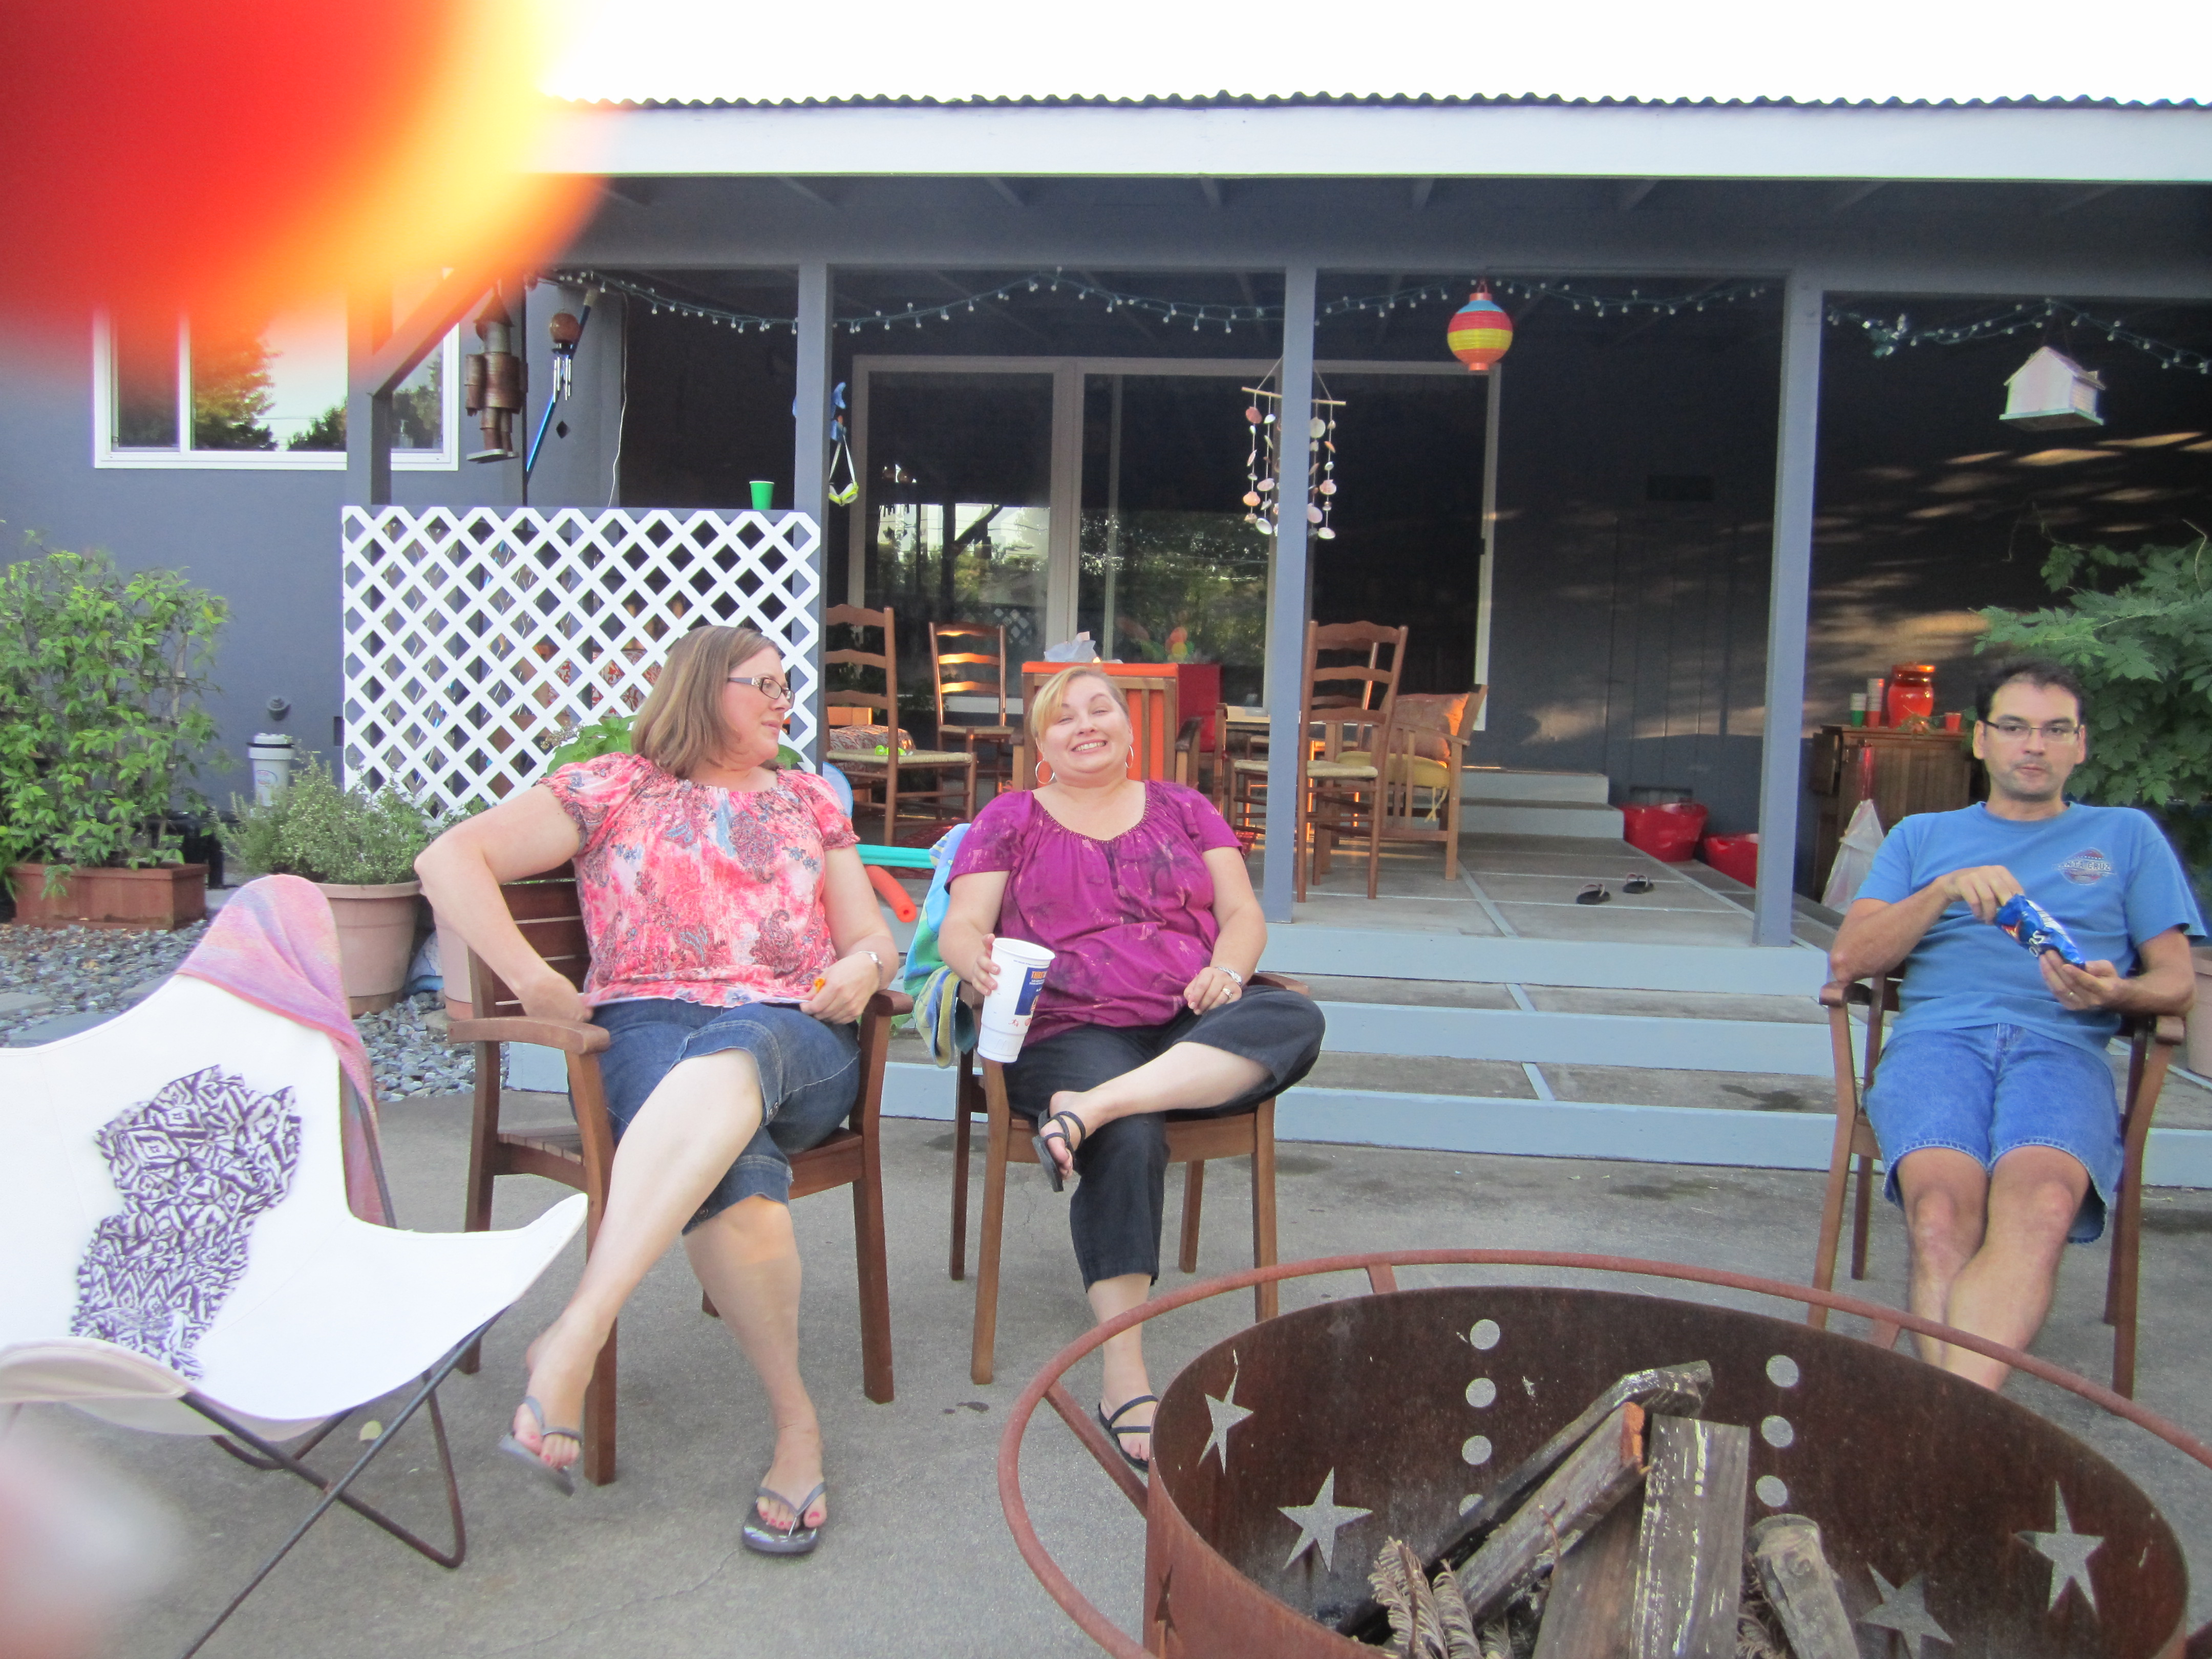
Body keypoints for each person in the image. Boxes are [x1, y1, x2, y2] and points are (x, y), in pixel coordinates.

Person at [415, 625, 896, 1554]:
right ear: (704, 687)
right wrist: (535, 980)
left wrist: (866, 969)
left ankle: (576, 1332)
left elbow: (870, 935)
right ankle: (797, 1427)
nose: (785, 702)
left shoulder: (807, 798)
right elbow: (448, 861)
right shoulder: (614, 786)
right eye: (764, 685)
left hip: (796, 1031)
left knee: (742, 1043)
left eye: (786, 687)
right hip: (646, 1029)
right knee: (732, 1177)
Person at [938, 667, 1325, 1469]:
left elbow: (1242, 915)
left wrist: (1227, 970)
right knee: (1134, 1133)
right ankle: (1124, 1374)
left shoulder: (1187, 808)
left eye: (1100, 709)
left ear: (1127, 727)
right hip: (1069, 1025)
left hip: (1190, 1014)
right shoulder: (1009, 818)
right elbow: (963, 924)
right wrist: (973, 959)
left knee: (1295, 1016)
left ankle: (1092, 1107)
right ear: (1041, 746)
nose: (1085, 724)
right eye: (1063, 717)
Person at [1827, 655, 2201, 1390]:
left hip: (2063, 1047)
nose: (2035, 745)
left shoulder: (2126, 836)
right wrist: (1942, 891)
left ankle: (1946, 1421)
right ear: (1981, 740)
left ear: (2081, 745)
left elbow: (2178, 983)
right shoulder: (1922, 837)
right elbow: (1850, 958)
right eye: (2016, 727)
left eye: (2056, 729)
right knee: (1942, 1213)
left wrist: (2118, 992)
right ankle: (1963, 1421)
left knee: (2044, 1205)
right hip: (1939, 1044)